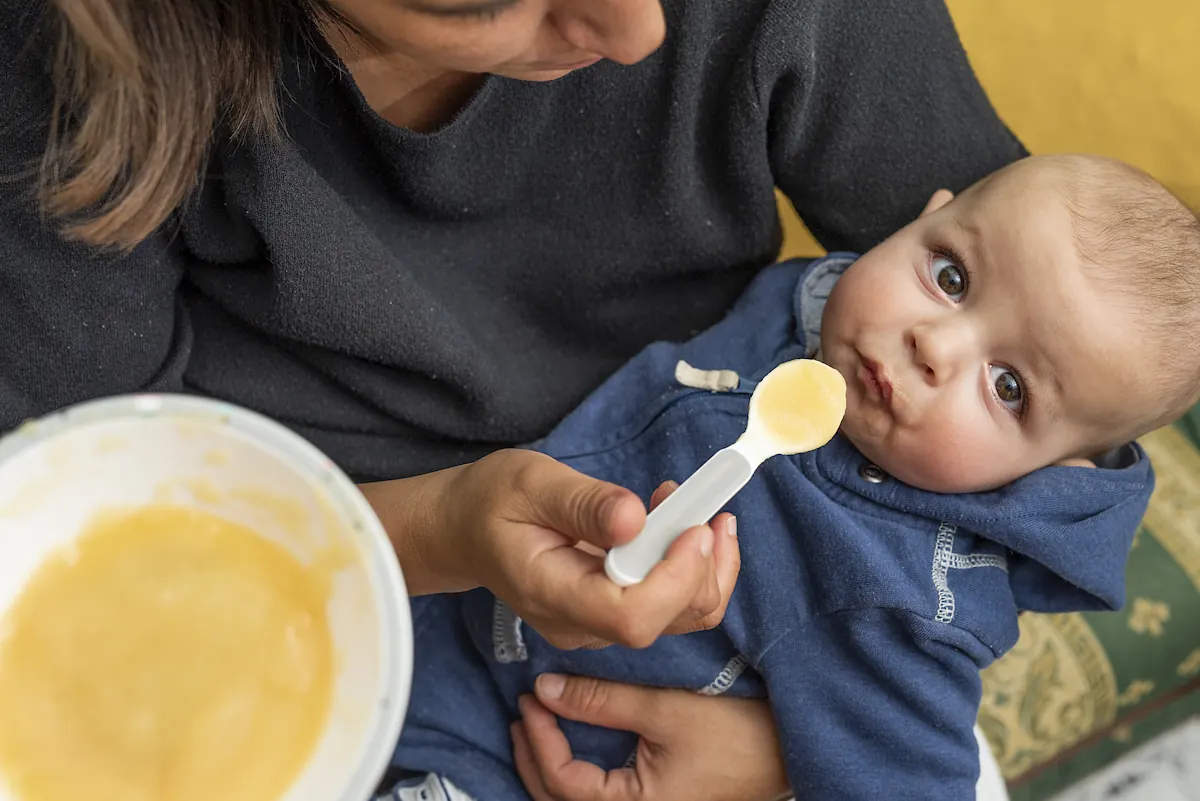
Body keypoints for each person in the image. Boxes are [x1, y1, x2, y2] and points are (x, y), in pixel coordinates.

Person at [0, 0, 1026, 797]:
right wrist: (443, 533)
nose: (638, 34)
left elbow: (1077, 376)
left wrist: (800, 748)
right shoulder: (65, 66)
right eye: (479, 5)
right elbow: (74, 529)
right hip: (311, 640)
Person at [388, 154, 1200, 800]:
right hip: (434, 596)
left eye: (1009, 386)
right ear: (927, 215)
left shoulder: (899, 599)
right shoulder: (814, 310)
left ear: (1051, 474)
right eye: (951, 275)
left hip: (509, 755)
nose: (933, 345)